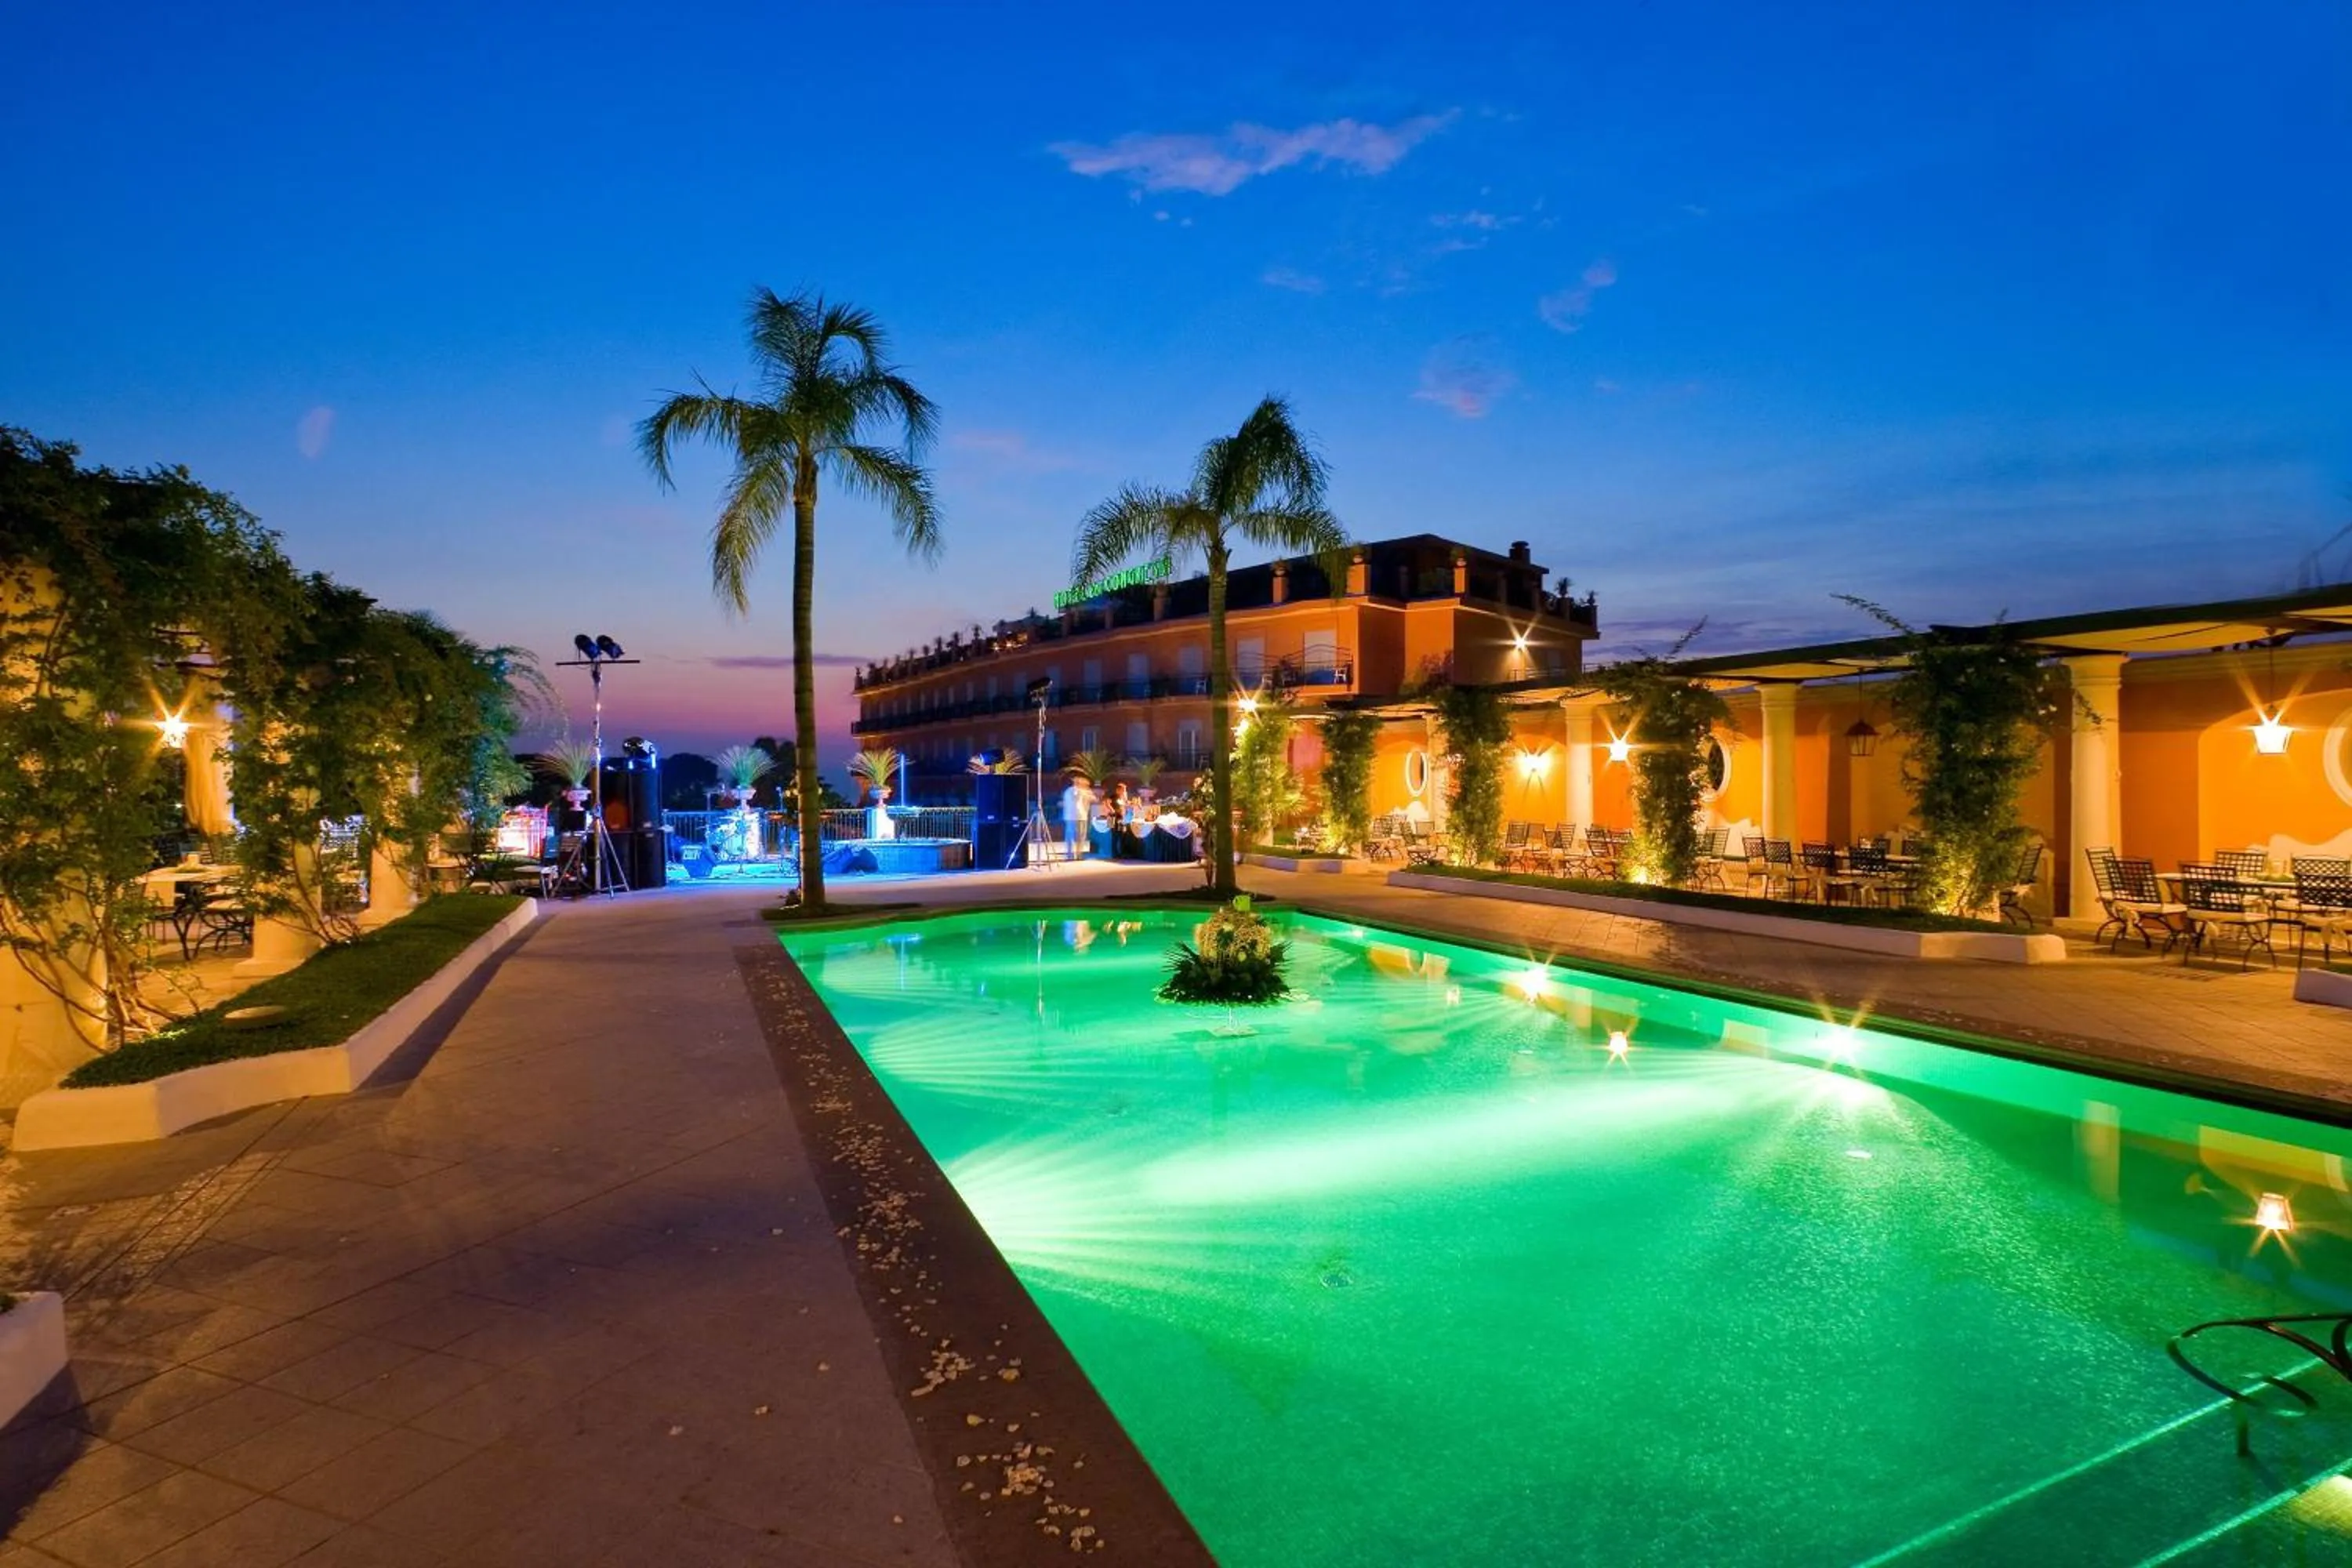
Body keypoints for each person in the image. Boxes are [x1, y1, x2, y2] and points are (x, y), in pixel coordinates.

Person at [1060, 772, 1093, 859]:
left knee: (1072, 836)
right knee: (1079, 837)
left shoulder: (1068, 791)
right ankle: (1077, 855)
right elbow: (1077, 798)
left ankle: (1072, 855)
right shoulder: (1078, 791)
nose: (1087, 785)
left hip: (1073, 817)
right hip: (1078, 816)